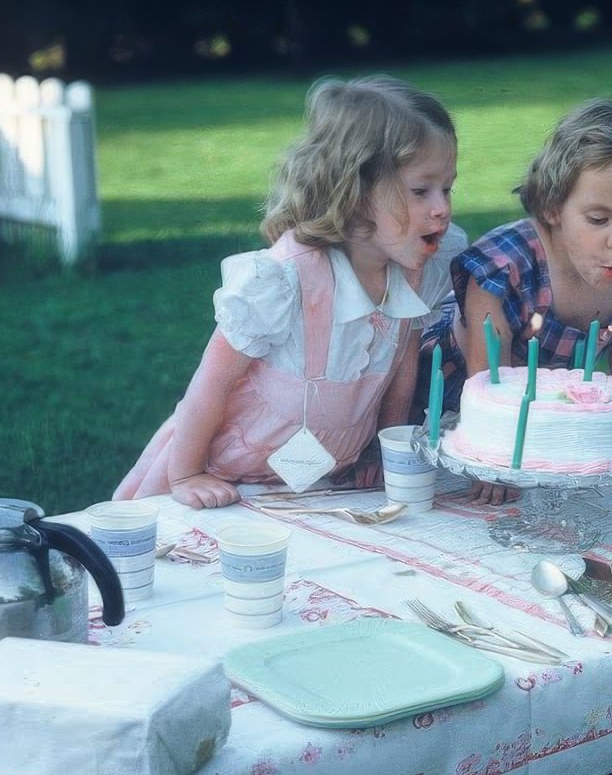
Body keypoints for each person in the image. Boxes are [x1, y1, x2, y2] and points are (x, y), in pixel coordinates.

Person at [114, 75, 465, 509]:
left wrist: (380, 448)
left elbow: (400, 369)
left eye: (447, 188)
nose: (442, 208)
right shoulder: (284, 281)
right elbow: (211, 384)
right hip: (223, 476)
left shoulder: (417, 271)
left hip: (319, 483)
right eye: (421, 190)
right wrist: (187, 473)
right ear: (355, 191)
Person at [443, 98, 612, 503]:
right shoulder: (505, 267)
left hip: (548, 429)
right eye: (598, 219)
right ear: (553, 206)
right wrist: (496, 459)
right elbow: (484, 376)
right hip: (458, 409)